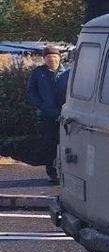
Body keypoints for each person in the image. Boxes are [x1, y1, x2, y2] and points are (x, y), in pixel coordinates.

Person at [26, 45, 70, 184]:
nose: (52, 59)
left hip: (67, 114)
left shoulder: (68, 71)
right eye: (48, 57)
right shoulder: (38, 73)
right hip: (48, 114)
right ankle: (52, 173)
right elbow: (31, 91)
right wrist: (41, 105)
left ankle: (68, 172)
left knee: (68, 144)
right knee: (50, 144)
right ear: (44, 59)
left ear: (59, 57)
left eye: (54, 56)